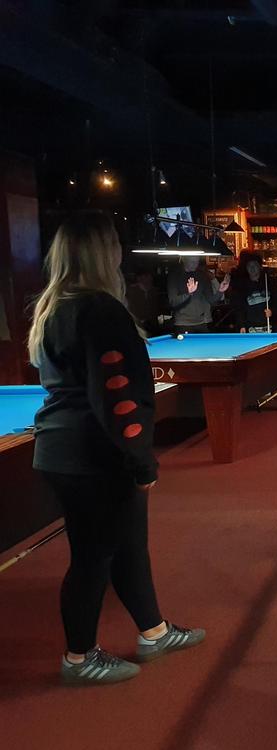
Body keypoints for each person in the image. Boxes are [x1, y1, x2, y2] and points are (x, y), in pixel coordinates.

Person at [27, 212, 204, 686]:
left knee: (125, 546)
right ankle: (79, 659)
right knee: (93, 557)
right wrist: (141, 462)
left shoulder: (54, 308)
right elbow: (117, 401)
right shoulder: (100, 310)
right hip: (94, 455)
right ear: (104, 254)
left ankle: (154, 632)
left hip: (64, 449)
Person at [166, 257, 229, 334]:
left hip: (201, 323)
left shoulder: (202, 275)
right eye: (192, 261)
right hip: (183, 324)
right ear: (184, 259)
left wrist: (220, 291)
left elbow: (211, 300)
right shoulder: (175, 276)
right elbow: (173, 302)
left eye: (197, 261)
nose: (195, 264)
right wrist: (189, 294)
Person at [231, 253, 277, 333]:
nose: (252, 268)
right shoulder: (242, 287)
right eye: (249, 266)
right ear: (246, 268)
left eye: (255, 265)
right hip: (250, 329)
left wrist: (272, 311)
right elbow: (239, 308)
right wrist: (242, 325)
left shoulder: (269, 283)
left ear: (260, 267)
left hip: (269, 327)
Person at [125, 269, 159, 334]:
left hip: (153, 325)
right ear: (139, 278)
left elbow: (155, 308)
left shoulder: (153, 291)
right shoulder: (131, 291)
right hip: (137, 326)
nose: (150, 278)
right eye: (146, 276)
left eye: (150, 276)